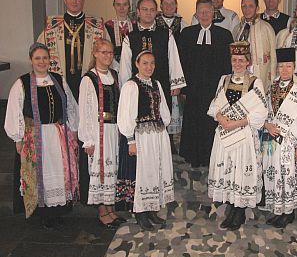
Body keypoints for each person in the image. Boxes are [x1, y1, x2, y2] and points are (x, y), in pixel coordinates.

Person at [5, 43, 79, 228]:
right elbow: (14, 111)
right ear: (31, 60)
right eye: (37, 58)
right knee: (43, 175)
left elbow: (70, 104)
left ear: (50, 60)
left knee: (59, 173)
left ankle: (58, 211)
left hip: (57, 135)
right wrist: (17, 137)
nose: (41, 62)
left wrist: (73, 128)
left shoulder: (58, 80)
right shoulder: (22, 83)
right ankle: (44, 214)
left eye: (45, 58)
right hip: (36, 137)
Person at [208, 41, 268, 231]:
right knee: (229, 170)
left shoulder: (254, 82)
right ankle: (232, 206)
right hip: (225, 134)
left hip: (243, 133)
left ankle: (239, 211)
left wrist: (235, 123)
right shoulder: (224, 79)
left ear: (248, 61)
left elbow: (260, 112)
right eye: (235, 60)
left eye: (241, 60)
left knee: (241, 170)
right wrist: (221, 118)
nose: (238, 63)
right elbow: (215, 105)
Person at [117, 50, 174, 231]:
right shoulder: (131, 86)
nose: (149, 67)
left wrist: (163, 127)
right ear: (137, 64)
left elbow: (163, 109)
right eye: (145, 63)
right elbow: (126, 115)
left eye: (152, 63)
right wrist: (130, 140)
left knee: (156, 172)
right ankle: (140, 213)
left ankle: (151, 210)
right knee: (144, 174)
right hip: (142, 136)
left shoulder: (156, 84)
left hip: (157, 135)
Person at [260, 47, 297, 228]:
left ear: (294, 67)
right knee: (274, 174)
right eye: (281, 66)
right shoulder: (272, 87)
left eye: (288, 66)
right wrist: (267, 125)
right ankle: (278, 209)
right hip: (272, 138)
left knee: (287, 175)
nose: (284, 70)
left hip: (291, 141)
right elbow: (266, 110)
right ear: (277, 68)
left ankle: (288, 212)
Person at [179, 0, 233, 168]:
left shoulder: (224, 35)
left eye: (208, 11)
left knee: (211, 123)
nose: (204, 14)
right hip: (193, 89)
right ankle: (193, 158)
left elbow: (228, 65)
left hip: (214, 90)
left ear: (213, 13)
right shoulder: (187, 34)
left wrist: (225, 89)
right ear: (196, 13)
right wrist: (182, 88)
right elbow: (181, 62)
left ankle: (212, 158)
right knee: (193, 122)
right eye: (201, 11)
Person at [78, 39, 125, 229]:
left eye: (110, 52)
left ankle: (111, 207)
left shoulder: (114, 75)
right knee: (102, 171)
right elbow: (85, 110)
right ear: (95, 53)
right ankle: (102, 211)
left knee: (113, 168)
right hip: (99, 130)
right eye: (103, 52)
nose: (107, 56)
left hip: (114, 128)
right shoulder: (89, 79)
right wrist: (87, 139)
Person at [37, 0, 106, 100]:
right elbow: (39, 52)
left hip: (88, 77)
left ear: (83, 0)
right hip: (61, 78)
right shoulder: (52, 26)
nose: (74, 2)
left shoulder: (96, 25)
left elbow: (107, 52)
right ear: (65, 0)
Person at [155, 0, 188, 153]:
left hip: (176, 68)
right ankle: (162, 139)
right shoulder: (154, 23)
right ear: (160, 6)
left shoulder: (183, 23)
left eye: (172, 3)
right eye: (165, 3)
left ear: (176, 6)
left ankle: (173, 140)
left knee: (175, 107)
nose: (168, 6)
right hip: (159, 69)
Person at [233, 0, 277, 91]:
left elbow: (274, 56)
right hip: (240, 71)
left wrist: (273, 79)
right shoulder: (237, 29)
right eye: (244, 6)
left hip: (259, 73)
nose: (247, 9)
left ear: (257, 8)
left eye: (251, 6)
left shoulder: (266, 27)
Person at [104, 0, 135, 70]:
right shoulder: (107, 26)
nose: (122, 8)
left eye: (125, 4)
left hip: (132, 63)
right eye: (118, 5)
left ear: (129, 6)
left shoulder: (135, 25)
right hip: (113, 64)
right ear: (114, 6)